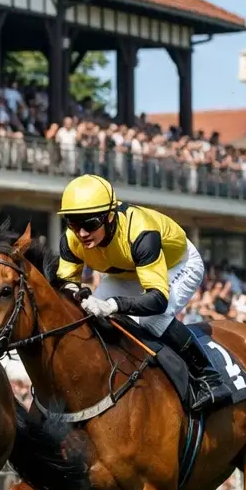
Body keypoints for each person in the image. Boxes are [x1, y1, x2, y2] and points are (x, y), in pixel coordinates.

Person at [54, 174, 221, 414]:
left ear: (109, 216)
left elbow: (157, 299)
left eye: (89, 224)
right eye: (72, 223)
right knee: (88, 318)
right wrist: (74, 292)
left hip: (178, 263)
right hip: (127, 272)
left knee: (153, 319)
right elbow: (65, 286)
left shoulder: (141, 233)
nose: (81, 233)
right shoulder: (71, 240)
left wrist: (113, 305)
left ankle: (209, 376)